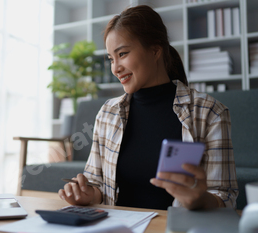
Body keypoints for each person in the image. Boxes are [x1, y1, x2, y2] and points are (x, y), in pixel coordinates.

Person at [58, 5, 238, 210]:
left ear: (155, 50)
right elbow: (97, 184)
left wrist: (200, 200)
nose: (115, 68)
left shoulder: (209, 112)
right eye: (111, 58)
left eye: (123, 54)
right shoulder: (108, 113)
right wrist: (87, 193)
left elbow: (225, 196)